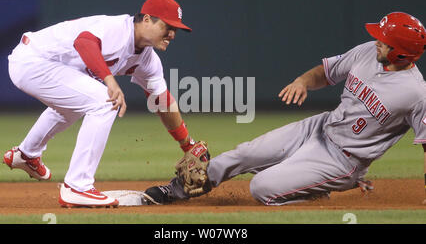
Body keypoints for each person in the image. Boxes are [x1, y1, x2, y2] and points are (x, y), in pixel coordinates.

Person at [144, 12, 426, 206]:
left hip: (343, 160)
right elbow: (326, 72)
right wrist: (303, 81)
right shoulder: (368, 51)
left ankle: (322, 192)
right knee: (244, 153)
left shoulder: (415, 93)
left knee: (262, 189)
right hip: (319, 127)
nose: (378, 40)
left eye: (385, 39)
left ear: (402, 52)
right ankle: (177, 190)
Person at [3, 0, 203, 208]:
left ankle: (26, 155)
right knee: (105, 101)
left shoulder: (148, 60)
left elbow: (162, 101)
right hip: (34, 61)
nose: (172, 34)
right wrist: (110, 80)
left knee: (75, 105)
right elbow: (84, 42)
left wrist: (187, 145)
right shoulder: (118, 29)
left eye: (176, 29)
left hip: (45, 66)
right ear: (146, 20)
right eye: (167, 26)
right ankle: (76, 187)